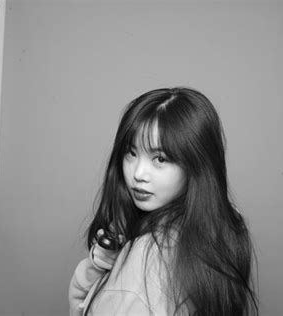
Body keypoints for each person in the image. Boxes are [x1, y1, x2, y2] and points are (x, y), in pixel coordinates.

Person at [69, 87, 258, 315]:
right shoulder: (223, 229)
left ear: (195, 165)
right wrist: (101, 262)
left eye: (160, 158)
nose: (138, 173)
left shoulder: (145, 256)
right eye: (131, 153)